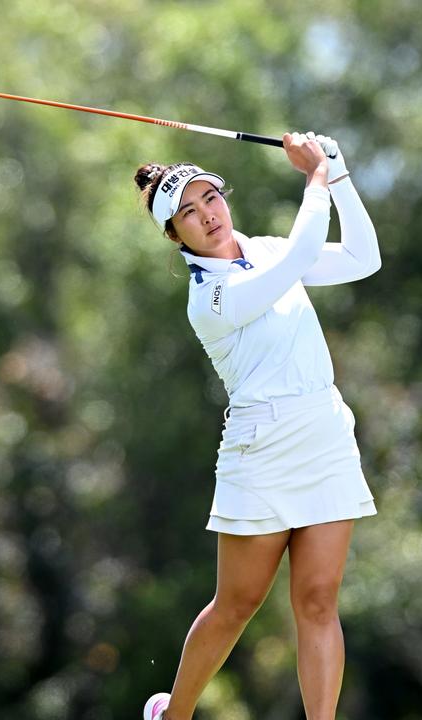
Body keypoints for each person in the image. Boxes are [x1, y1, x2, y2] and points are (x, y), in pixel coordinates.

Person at [136, 132, 381, 720]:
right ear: (176, 237)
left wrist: (339, 173)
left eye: (209, 198)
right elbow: (302, 256)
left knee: (319, 601)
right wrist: (314, 177)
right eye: (188, 214)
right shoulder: (210, 296)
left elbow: (363, 258)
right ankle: (175, 716)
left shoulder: (264, 250)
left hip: (323, 433)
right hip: (261, 448)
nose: (207, 216)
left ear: (224, 197)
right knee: (237, 604)